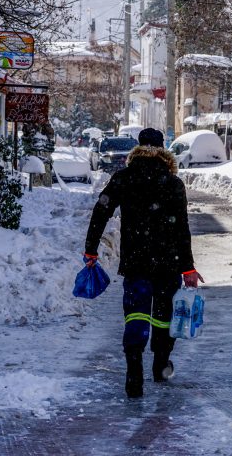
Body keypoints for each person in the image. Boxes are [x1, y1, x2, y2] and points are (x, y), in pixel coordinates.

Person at [83, 127, 203, 398]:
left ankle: (133, 369)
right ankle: (160, 364)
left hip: (136, 262)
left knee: (136, 314)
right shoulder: (172, 183)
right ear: (163, 149)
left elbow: (101, 209)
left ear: (138, 148)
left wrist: (91, 249)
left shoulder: (125, 177)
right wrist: (188, 267)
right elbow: (182, 229)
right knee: (163, 317)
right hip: (168, 264)